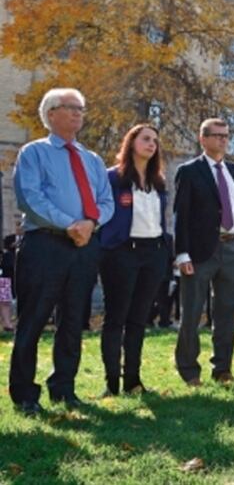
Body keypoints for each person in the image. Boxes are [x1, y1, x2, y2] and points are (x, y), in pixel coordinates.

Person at [9, 88, 114, 414]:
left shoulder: (92, 159)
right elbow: (30, 197)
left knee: (73, 321)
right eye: (71, 108)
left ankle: (64, 388)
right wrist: (71, 223)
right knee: (34, 319)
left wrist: (89, 224)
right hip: (45, 244)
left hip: (84, 247)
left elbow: (107, 202)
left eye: (81, 109)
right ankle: (25, 395)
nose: (78, 114)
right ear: (51, 113)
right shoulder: (33, 153)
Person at [173, 117, 234, 386]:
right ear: (202, 138)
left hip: (232, 248)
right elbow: (180, 215)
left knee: (226, 312)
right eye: (216, 135)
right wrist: (182, 253)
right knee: (192, 312)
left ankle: (223, 369)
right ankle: (189, 370)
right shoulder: (189, 171)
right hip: (199, 252)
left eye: (226, 136)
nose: (222, 140)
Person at [98, 124, 169, 396]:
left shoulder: (158, 182)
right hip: (121, 252)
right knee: (116, 318)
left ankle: (133, 381)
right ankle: (111, 383)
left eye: (155, 141)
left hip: (153, 253)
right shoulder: (113, 178)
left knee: (139, 319)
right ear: (131, 143)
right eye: (146, 139)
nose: (152, 144)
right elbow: (103, 213)